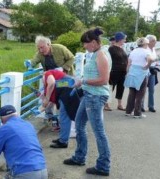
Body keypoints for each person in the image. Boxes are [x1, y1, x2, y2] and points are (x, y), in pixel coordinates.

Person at [63, 27, 112, 176]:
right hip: (89, 95)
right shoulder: (96, 53)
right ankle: (79, 157)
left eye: (86, 43)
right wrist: (83, 83)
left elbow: (104, 80)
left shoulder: (101, 55)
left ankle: (103, 165)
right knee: (79, 124)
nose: (84, 46)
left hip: (95, 97)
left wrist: (84, 81)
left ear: (93, 42)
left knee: (99, 132)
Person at [0, 105, 48, 179]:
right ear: (16, 115)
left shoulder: (3, 130)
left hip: (24, 173)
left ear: (1, 119)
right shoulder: (28, 125)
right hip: (42, 170)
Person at [41, 69, 81, 148]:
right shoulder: (56, 78)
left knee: (64, 117)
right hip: (68, 91)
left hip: (67, 92)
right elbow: (50, 100)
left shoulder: (47, 74)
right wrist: (44, 104)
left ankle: (63, 141)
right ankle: (63, 138)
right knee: (65, 117)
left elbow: (51, 82)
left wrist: (47, 99)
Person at [124, 37, 155, 118]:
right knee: (140, 94)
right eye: (147, 44)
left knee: (132, 93)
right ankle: (137, 113)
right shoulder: (146, 51)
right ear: (144, 44)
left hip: (132, 73)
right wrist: (147, 66)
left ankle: (128, 111)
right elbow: (150, 59)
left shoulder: (133, 51)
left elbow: (129, 63)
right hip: (141, 73)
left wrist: (127, 72)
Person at [107, 32, 128, 111]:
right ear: (120, 39)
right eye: (124, 39)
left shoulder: (121, 48)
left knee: (121, 88)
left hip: (122, 72)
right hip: (114, 71)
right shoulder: (111, 48)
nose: (125, 40)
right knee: (111, 87)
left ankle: (120, 104)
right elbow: (108, 60)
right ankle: (106, 104)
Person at [141, 34, 160, 112]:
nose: (155, 42)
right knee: (143, 89)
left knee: (152, 89)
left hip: (152, 70)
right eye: (154, 41)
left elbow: (154, 59)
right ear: (149, 42)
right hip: (146, 70)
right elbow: (146, 60)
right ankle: (141, 105)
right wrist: (153, 61)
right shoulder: (145, 49)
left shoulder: (154, 49)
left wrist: (156, 62)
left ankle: (151, 106)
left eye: (155, 41)